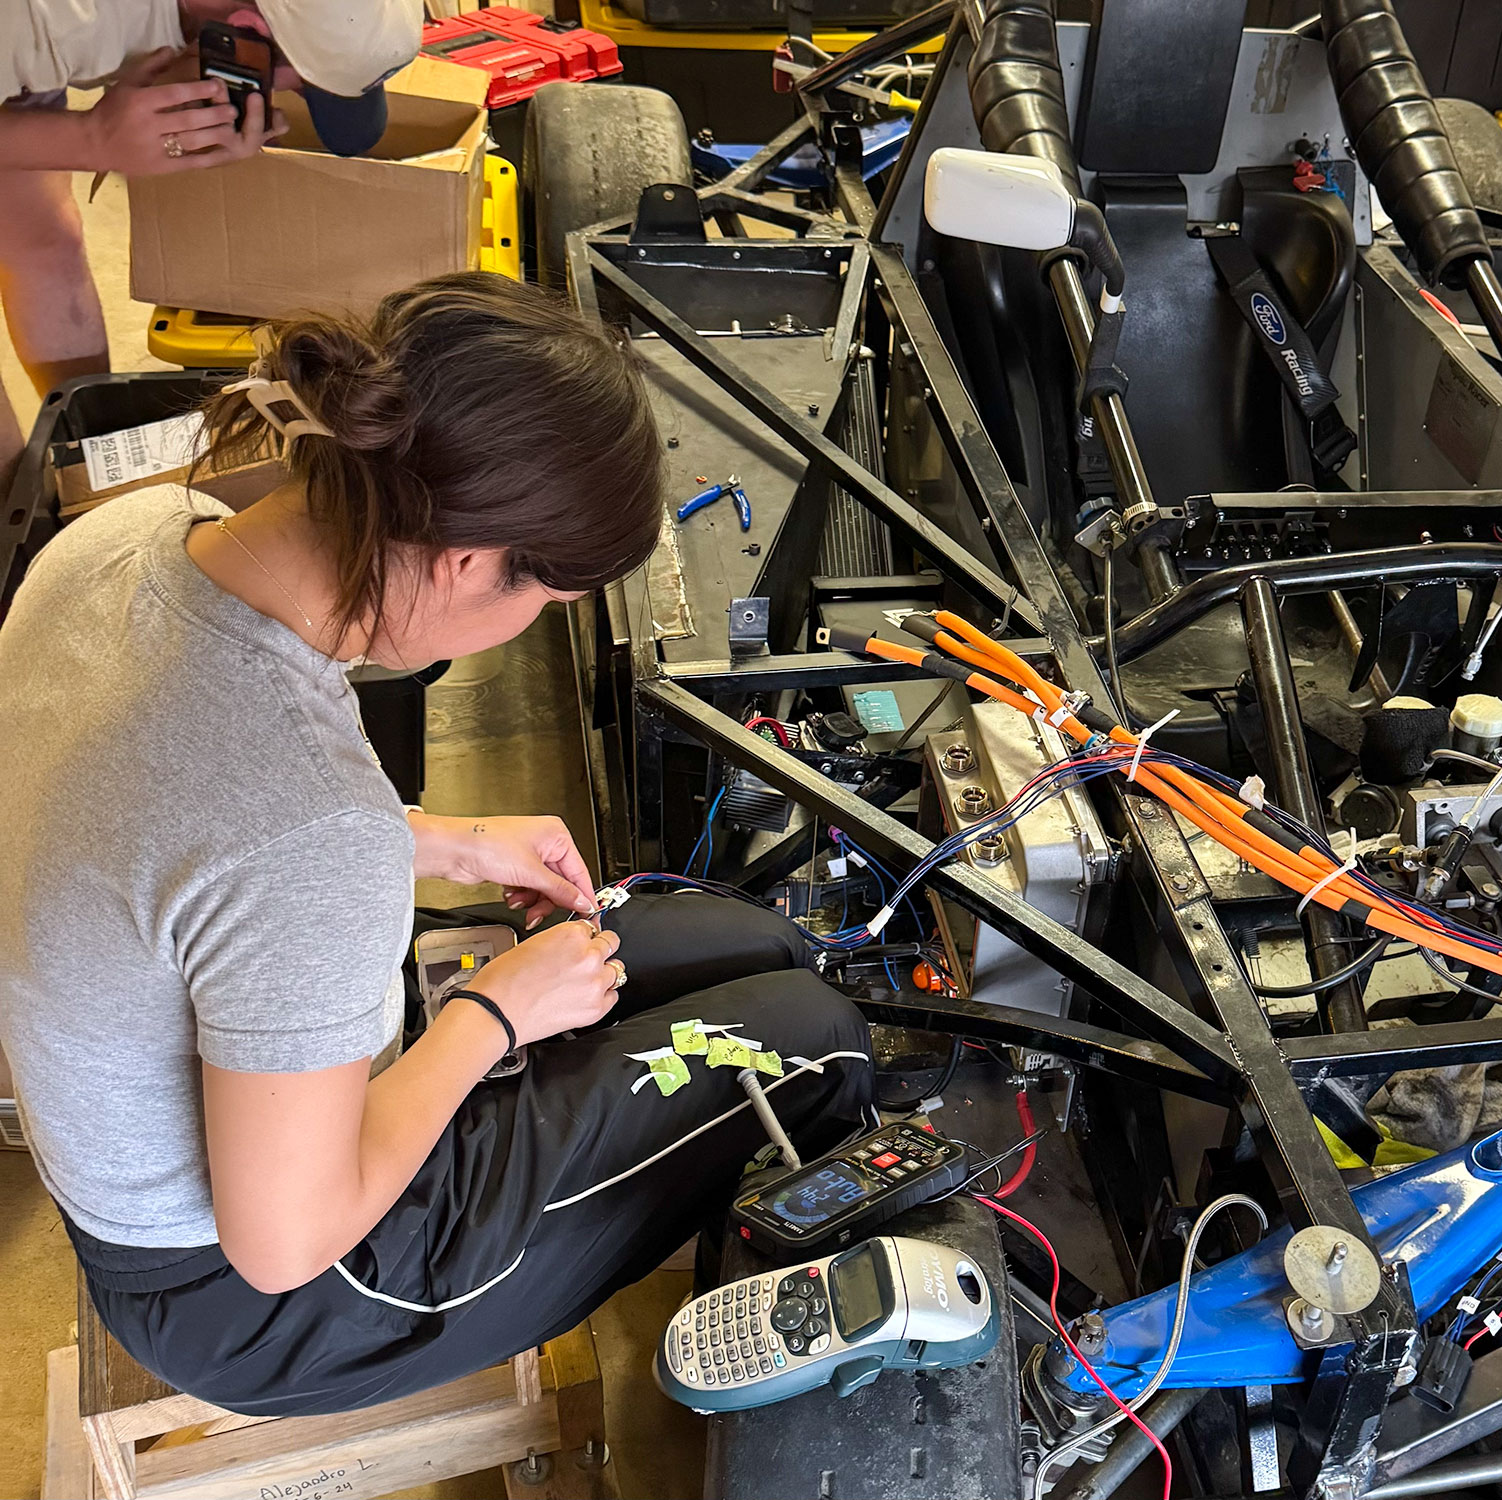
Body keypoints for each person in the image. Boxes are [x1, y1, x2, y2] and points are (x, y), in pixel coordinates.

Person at [0, 270, 875, 1415]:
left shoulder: (125, 537)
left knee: (756, 950)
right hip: (254, 1297)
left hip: (149, 1134)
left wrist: (443, 841)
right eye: (545, 602)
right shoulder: (305, 816)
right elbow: (285, 1243)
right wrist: (492, 1013)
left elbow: (160, 819)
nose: (530, 624)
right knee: (818, 1044)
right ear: (467, 561)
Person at [1, 0, 423, 486]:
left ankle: (87, 452)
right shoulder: (50, 17)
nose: (285, 99)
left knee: (44, 242)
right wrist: (91, 139)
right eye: (301, 85)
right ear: (246, 27)